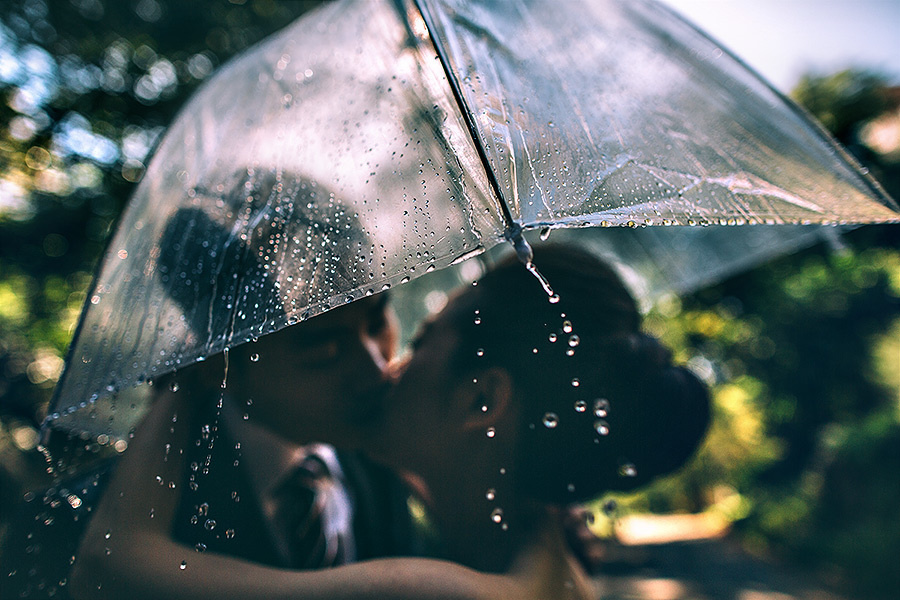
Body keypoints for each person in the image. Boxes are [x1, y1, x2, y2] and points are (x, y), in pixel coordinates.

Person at [369, 245, 712, 597]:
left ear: (482, 400)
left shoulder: (427, 592)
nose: (387, 367)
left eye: (419, 343)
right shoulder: (538, 558)